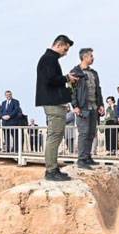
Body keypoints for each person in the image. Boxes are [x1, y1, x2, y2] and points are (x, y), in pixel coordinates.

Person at [36, 34, 77, 181]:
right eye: (65, 49)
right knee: (54, 136)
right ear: (59, 45)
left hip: (54, 102)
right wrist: (66, 78)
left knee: (56, 135)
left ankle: (53, 169)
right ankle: (51, 171)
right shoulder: (49, 59)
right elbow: (50, 80)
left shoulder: (50, 59)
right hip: (52, 102)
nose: (65, 53)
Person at [69, 48, 104, 168]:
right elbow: (71, 91)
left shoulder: (94, 73)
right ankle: (81, 160)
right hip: (82, 108)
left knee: (91, 133)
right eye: (91, 56)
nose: (93, 58)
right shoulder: (75, 72)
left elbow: (98, 89)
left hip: (93, 107)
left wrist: (101, 105)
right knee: (83, 133)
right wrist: (75, 106)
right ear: (84, 57)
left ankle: (88, 157)